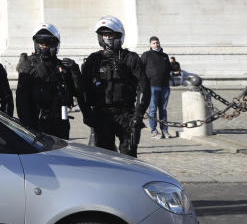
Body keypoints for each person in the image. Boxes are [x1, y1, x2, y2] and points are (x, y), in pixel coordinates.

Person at [81, 16, 150, 157]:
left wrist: (138, 115)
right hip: (102, 114)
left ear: (118, 35)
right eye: (105, 35)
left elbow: (143, 87)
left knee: (129, 156)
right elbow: (84, 88)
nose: (108, 38)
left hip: (126, 114)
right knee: (105, 157)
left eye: (111, 34)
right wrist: (87, 113)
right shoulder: (94, 59)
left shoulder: (131, 58)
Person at [16, 24, 84, 139]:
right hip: (38, 124)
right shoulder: (29, 66)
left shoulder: (62, 66)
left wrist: (75, 71)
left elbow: (78, 92)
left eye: (48, 44)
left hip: (61, 123)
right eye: (42, 44)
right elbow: (22, 102)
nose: (45, 47)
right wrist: (29, 127)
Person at [140, 36, 172, 139]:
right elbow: (141, 70)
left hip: (165, 86)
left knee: (163, 109)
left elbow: (169, 69)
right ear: (150, 44)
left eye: (157, 43)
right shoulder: (146, 55)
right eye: (153, 43)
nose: (156, 44)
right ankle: (153, 131)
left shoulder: (165, 56)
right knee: (152, 109)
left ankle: (164, 130)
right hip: (152, 86)